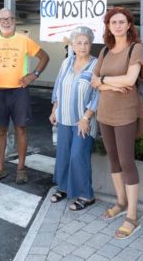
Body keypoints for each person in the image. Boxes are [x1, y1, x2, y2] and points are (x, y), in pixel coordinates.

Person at [91, 6, 143, 240]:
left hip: (126, 112)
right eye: (113, 22)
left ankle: (132, 216)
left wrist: (105, 81)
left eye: (121, 22)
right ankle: (121, 202)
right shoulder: (104, 51)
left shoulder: (135, 48)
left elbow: (131, 79)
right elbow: (93, 80)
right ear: (108, 26)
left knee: (126, 161)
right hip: (105, 112)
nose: (117, 25)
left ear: (128, 25)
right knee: (113, 159)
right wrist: (111, 83)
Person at [0, 8, 50, 184]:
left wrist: (34, 74)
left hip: (19, 91)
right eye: (2, 19)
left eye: (9, 18)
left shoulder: (23, 40)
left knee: (21, 128)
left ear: (15, 21)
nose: (6, 21)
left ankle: (21, 168)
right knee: (0, 130)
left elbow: (44, 57)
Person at [49, 26, 99, 211]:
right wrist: (54, 109)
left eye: (86, 43)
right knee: (63, 155)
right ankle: (63, 188)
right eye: (79, 42)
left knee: (78, 155)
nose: (83, 46)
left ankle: (87, 194)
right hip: (64, 118)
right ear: (72, 44)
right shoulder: (67, 62)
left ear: (91, 44)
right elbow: (58, 87)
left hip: (83, 121)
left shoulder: (96, 64)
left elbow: (97, 94)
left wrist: (86, 117)